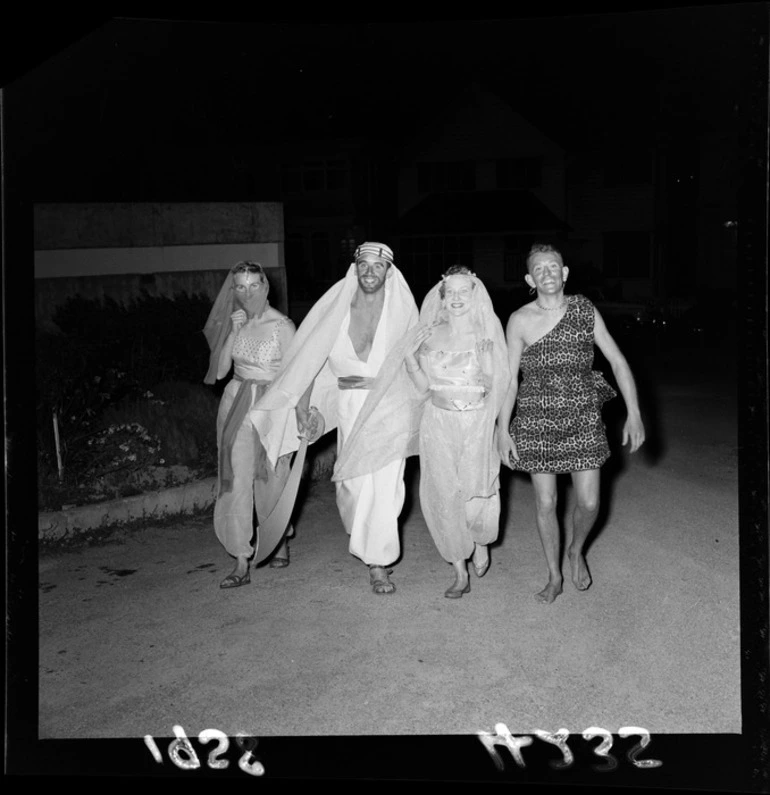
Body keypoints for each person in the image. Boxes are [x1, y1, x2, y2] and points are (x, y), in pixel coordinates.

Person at [250, 242, 422, 595]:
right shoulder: (337, 311)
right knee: (353, 487)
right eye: (364, 264)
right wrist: (304, 408)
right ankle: (366, 542)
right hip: (349, 405)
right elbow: (312, 364)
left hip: (390, 405)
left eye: (378, 266)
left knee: (387, 486)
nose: (370, 271)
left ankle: (379, 563)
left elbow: (419, 362)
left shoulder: (402, 313)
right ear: (355, 268)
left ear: (389, 271)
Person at [497, 243, 645, 604]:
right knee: (545, 503)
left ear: (564, 273)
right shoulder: (519, 319)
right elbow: (509, 379)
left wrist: (635, 412)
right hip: (536, 417)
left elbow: (618, 361)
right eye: (539, 268)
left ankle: (576, 549)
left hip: (582, 413)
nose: (547, 272)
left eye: (554, 267)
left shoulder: (584, 310)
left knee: (590, 503)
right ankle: (553, 575)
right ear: (530, 278)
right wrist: (502, 431)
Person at [405, 266, 511, 598]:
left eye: (464, 291)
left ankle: (479, 539)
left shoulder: (486, 333)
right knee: (443, 494)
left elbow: (498, 385)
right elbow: (422, 388)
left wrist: (488, 362)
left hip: (476, 423)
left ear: (475, 294)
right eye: (450, 292)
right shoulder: (430, 334)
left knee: (476, 490)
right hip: (438, 423)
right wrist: (410, 358)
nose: (456, 298)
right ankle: (458, 570)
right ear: (441, 297)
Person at [203, 261, 296, 588]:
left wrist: (300, 415)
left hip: (271, 406)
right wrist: (234, 332)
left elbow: (296, 376)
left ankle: (277, 538)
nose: (247, 292)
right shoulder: (236, 322)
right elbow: (222, 369)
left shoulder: (283, 326)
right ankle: (241, 559)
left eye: (253, 285)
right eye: (240, 287)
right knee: (236, 479)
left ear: (265, 286)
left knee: (271, 479)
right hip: (236, 403)